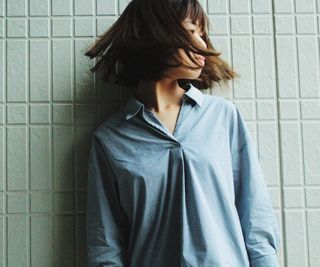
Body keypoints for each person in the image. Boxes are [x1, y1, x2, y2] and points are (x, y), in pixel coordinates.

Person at [83, 0, 281, 266]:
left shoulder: (223, 117)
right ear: (155, 34)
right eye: (191, 33)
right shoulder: (110, 140)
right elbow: (105, 245)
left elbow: (255, 217)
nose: (203, 46)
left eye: (202, 34)